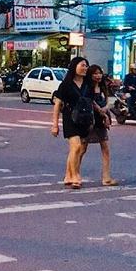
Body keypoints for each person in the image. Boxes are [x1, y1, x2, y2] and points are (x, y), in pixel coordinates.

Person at [51, 57, 91, 189]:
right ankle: (75, 176)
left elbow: (92, 102)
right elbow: (57, 104)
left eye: (86, 66)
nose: (85, 68)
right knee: (76, 146)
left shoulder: (87, 84)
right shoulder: (66, 85)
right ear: (74, 67)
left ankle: (68, 175)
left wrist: (103, 114)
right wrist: (55, 124)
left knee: (78, 149)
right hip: (70, 119)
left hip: (84, 119)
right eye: (82, 65)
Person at [80, 65, 118, 186]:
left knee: (105, 147)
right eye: (95, 73)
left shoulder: (102, 87)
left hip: (101, 121)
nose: (98, 75)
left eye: (100, 73)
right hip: (90, 121)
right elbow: (90, 102)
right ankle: (73, 173)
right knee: (82, 148)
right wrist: (103, 113)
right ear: (90, 75)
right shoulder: (87, 88)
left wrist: (106, 110)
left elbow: (107, 101)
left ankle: (106, 177)